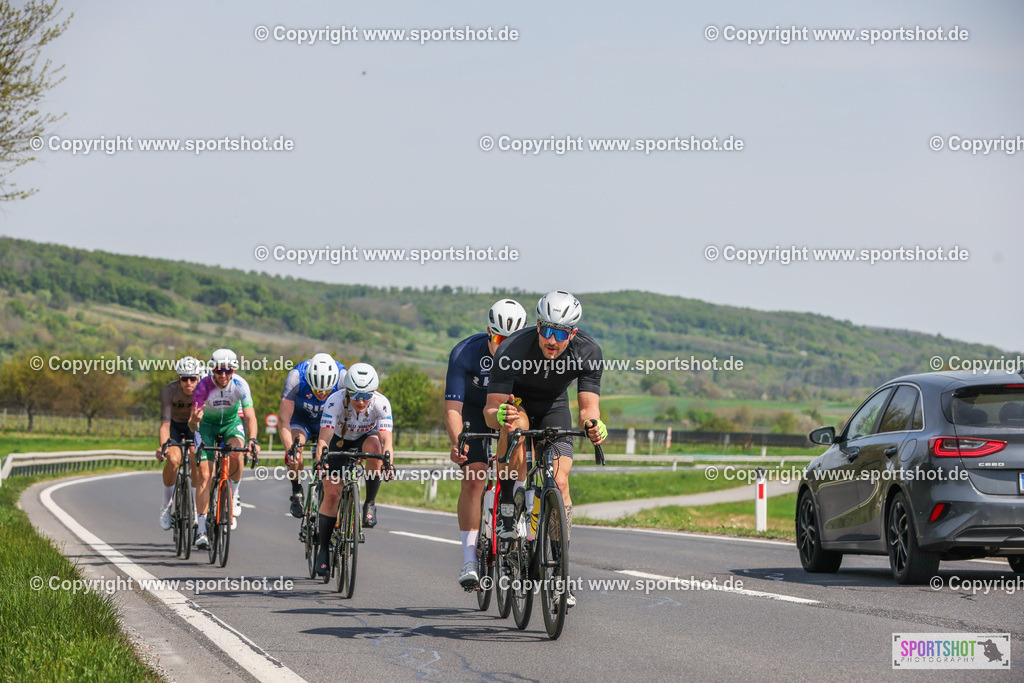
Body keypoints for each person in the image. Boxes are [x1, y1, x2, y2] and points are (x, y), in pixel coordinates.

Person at [485, 290, 608, 607]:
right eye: (546, 331)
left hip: (555, 408)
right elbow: (491, 409)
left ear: (573, 333)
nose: (551, 340)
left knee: (561, 481)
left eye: (560, 333)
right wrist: (497, 415)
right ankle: (510, 508)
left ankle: (559, 565)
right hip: (519, 404)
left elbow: (587, 408)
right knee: (514, 426)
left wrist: (594, 425)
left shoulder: (588, 352)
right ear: (537, 325)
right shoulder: (513, 348)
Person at [445, 299, 528, 588]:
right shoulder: (465, 353)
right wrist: (458, 443)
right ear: (488, 332)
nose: (503, 345)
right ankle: (469, 559)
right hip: (474, 413)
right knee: (473, 478)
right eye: (497, 338)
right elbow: (453, 409)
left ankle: (514, 513)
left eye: (512, 340)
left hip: (508, 413)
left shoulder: (528, 356)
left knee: (520, 452)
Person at [312, 362, 394, 576]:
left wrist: (389, 463)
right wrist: (321, 460)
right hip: (337, 441)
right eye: (356, 394)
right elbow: (324, 439)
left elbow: (387, 443)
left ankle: (370, 503)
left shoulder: (381, 404)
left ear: (373, 393)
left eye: (366, 395)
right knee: (332, 492)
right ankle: (323, 550)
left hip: (364, 440)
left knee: (376, 450)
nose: (361, 400)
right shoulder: (335, 401)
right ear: (347, 390)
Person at [188, 348, 261, 547]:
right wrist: (194, 421)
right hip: (207, 428)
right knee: (205, 476)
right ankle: (201, 528)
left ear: (234, 371)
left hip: (230, 424)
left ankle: (234, 494)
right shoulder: (203, 386)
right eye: (219, 370)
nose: (222, 375)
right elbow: (192, 425)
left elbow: (250, 415)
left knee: (237, 453)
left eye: (227, 371)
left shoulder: (240, 384)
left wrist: (252, 440)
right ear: (212, 369)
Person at [279, 353, 346, 517]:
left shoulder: (343, 378)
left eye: (326, 391)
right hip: (302, 421)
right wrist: (290, 451)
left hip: (330, 422)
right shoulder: (296, 377)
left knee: (324, 458)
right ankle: (296, 490)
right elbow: (283, 419)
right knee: (295, 450)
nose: (321, 394)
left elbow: (349, 414)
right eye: (317, 390)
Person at [155, 356, 203, 529]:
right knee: (174, 460)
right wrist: (163, 446)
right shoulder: (170, 391)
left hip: (194, 426)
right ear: (178, 378)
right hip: (174, 425)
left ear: (199, 377)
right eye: (184, 378)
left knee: (195, 456)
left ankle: (196, 506)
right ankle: (166, 505)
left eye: (193, 378)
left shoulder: (204, 391)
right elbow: (165, 424)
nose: (189, 382)